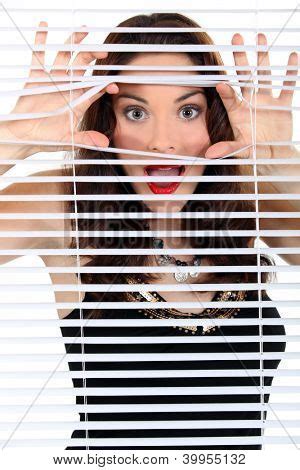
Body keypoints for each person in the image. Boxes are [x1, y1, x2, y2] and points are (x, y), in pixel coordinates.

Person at [0, 12, 299, 450]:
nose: (163, 141)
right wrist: (13, 139)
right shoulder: (63, 205)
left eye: (188, 110)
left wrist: (284, 164)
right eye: (136, 112)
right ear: (108, 122)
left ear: (216, 119)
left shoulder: (245, 203)